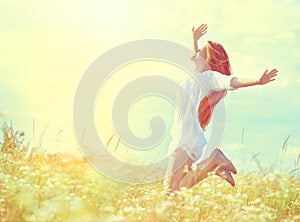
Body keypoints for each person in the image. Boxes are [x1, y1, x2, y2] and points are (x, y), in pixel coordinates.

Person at [165, 23, 278, 192]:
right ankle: (213, 163)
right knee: (174, 190)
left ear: (208, 60)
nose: (198, 52)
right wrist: (195, 40)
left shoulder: (209, 78)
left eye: (202, 51)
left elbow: (231, 81)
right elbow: (194, 55)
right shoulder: (194, 73)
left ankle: (213, 160)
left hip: (186, 138)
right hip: (184, 136)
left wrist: (257, 81)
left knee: (170, 190)